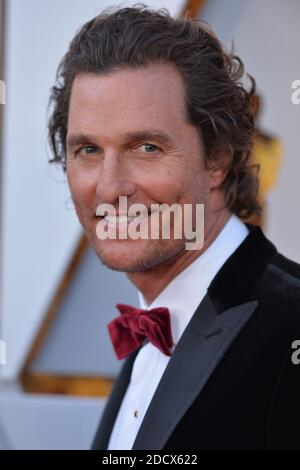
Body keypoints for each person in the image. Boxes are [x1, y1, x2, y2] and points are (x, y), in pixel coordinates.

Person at [47, 6, 300, 450]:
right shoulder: (148, 328)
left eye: (146, 147)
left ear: (217, 157)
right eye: (88, 149)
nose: (110, 187)